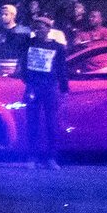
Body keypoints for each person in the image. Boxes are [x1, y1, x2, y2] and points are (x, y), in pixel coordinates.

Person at [19, 13, 68, 170]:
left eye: (41, 28)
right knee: (32, 122)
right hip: (33, 87)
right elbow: (23, 63)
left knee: (51, 123)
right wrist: (27, 81)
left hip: (50, 88)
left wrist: (64, 87)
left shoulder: (58, 48)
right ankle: (32, 157)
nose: (37, 31)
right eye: (36, 29)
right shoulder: (28, 44)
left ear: (48, 29)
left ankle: (51, 158)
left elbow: (61, 68)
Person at [73, 9, 107, 75]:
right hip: (86, 70)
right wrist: (77, 44)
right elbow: (76, 47)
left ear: (100, 19)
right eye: (89, 17)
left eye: (93, 17)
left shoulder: (106, 32)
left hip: (102, 69)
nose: (90, 19)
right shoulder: (82, 33)